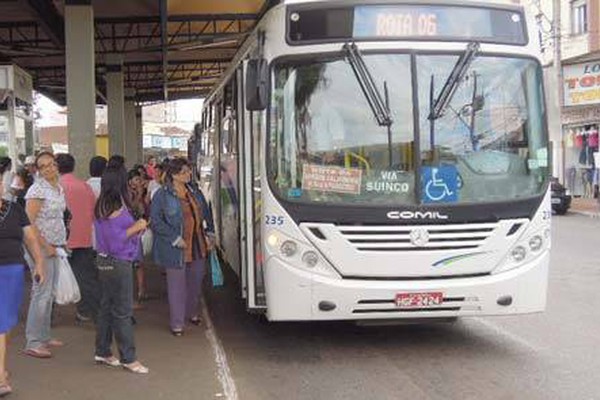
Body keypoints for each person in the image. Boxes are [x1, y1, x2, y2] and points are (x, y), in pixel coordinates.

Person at [94, 166, 149, 374]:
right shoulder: (116, 205)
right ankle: (129, 358)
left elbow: (110, 236)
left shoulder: (102, 203)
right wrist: (137, 227)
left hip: (104, 261)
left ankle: (103, 351)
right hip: (118, 262)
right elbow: (117, 240)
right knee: (123, 311)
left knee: (107, 307)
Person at [151, 158, 214, 336]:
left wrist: (210, 233)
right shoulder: (161, 195)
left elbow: (206, 212)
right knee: (176, 286)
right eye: (184, 172)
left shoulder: (195, 191)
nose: (188, 174)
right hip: (175, 247)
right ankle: (177, 323)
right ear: (174, 175)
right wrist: (174, 237)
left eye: (188, 171)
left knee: (195, 282)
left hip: (197, 244)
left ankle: (191, 312)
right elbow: (155, 221)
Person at [0, 174, 45, 397]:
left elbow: (30, 238)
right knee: (0, 323)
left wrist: (39, 263)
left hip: (11, 271)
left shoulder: (15, 210)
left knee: (6, 323)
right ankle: (0, 376)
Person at [23, 152, 67, 359]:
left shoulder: (57, 188)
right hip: (39, 248)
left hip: (55, 245)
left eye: (51, 164)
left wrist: (59, 244)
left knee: (49, 293)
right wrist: (45, 245)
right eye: (43, 166)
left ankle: (44, 335)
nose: (49, 168)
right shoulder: (37, 189)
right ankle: (33, 341)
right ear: (38, 170)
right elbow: (28, 222)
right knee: (41, 292)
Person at [56, 153, 100, 323]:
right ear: (73, 167)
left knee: (51, 278)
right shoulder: (84, 186)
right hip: (83, 238)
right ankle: (89, 312)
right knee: (86, 278)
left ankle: (48, 317)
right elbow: (95, 211)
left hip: (60, 240)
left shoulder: (55, 187)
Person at [127, 169, 149, 305]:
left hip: (138, 231)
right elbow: (133, 208)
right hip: (130, 232)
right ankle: (131, 295)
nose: (139, 182)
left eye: (140, 179)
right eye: (136, 179)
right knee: (131, 264)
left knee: (139, 263)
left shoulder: (142, 193)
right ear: (130, 181)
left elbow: (145, 209)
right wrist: (139, 194)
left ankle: (141, 290)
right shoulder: (128, 194)